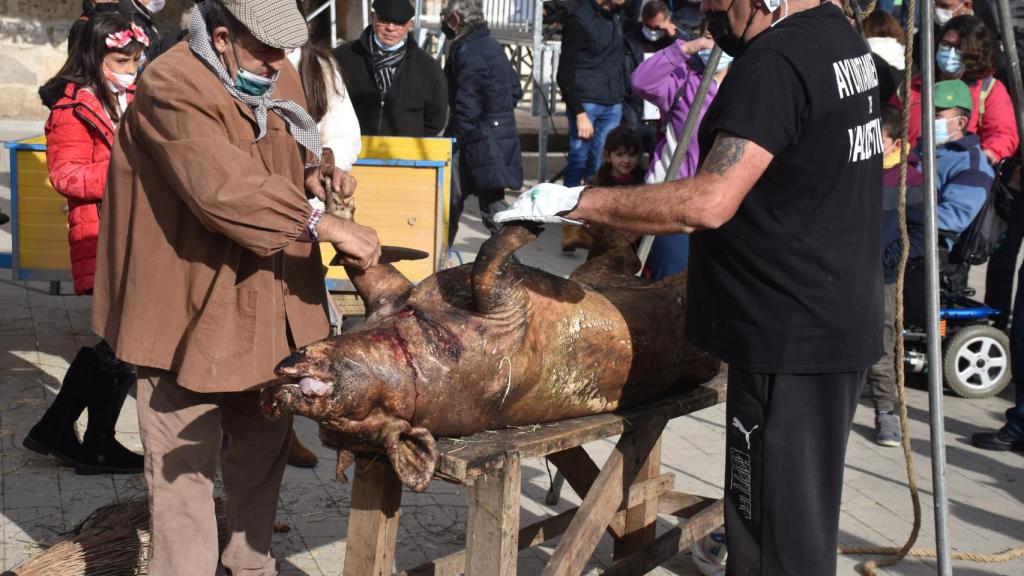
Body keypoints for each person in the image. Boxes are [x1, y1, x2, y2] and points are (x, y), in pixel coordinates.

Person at [496, 0, 884, 571]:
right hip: (833, 316)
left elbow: (708, 201)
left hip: (788, 337)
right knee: (790, 525)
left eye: (719, 5)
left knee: (770, 536)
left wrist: (580, 201)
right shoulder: (842, 39)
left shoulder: (776, 59)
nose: (713, 17)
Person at [91, 0, 381, 573]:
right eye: (265, 51)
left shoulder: (278, 69)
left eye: (283, 53)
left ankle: (250, 566)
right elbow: (223, 187)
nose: (277, 65)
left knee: (260, 456)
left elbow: (285, 155)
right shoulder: (170, 83)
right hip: (186, 305)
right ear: (221, 38)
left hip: (266, 304)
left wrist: (316, 172)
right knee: (183, 473)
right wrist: (325, 225)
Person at [26, 12, 148, 476]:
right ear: (95, 57)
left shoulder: (131, 97)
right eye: (122, 59)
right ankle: (89, 440)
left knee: (118, 339)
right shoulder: (70, 109)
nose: (131, 67)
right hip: (103, 233)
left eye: (136, 58)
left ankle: (64, 430)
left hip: (137, 231)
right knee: (121, 338)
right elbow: (66, 176)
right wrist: (131, 171)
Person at [283, 0, 364, 469]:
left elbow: (342, 128)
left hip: (305, 210)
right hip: (254, 211)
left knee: (300, 323)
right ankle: (252, 426)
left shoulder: (318, 64)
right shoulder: (235, 61)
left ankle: (286, 423)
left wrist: (328, 159)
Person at [632, 33, 730, 280]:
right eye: (709, 35)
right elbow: (641, 81)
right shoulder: (684, 81)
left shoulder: (746, 83)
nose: (714, 43)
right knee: (669, 284)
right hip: (671, 202)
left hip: (720, 204)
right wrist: (685, 48)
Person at [440, 0, 524, 243]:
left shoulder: (468, 51)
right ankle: (510, 263)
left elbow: (467, 108)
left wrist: (452, 141)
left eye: (446, 19)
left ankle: (441, 259)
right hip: (494, 137)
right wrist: (497, 116)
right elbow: (515, 90)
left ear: (455, 19)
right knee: (492, 204)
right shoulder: (490, 44)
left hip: (475, 139)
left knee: (450, 202)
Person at [870, 105, 925, 448]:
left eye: (881, 138)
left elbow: (916, 235)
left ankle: (885, 410)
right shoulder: (853, 170)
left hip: (883, 275)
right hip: (843, 271)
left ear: (896, 143)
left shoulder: (911, 180)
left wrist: (885, 260)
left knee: (882, 339)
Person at [898, 15, 1019, 166]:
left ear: (975, 54)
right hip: (909, 169)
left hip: (962, 170)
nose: (950, 53)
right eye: (946, 44)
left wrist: (987, 154)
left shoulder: (989, 90)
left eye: (959, 48)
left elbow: (1003, 133)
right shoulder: (913, 85)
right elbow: (892, 124)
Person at [333, 0, 448, 137]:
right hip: (350, 152)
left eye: (399, 23)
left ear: (409, 25)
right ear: (372, 17)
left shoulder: (429, 68)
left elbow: (435, 121)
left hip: (404, 155)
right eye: (384, 20)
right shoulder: (340, 58)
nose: (391, 28)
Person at [556, 0, 628, 187]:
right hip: (587, 103)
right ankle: (568, 207)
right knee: (578, 160)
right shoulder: (578, 20)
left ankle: (595, 208)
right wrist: (579, 113)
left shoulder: (617, 16)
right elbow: (564, 74)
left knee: (602, 162)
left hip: (613, 101)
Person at [563, 126, 646, 251]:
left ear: (639, 156)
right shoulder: (598, 183)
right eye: (620, 155)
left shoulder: (644, 182)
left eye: (632, 155)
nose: (627, 160)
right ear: (607, 156)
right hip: (602, 245)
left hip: (635, 244)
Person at [931, 79, 993, 240]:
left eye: (937, 116)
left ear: (960, 122)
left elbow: (953, 217)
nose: (928, 120)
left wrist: (899, 214)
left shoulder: (972, 165)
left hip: (929, 246)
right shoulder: (923, 148)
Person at [622, 1, 686, 152]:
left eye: (657, 27)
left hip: (662, 114)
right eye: (648, 26)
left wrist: (673, 35)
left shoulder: (674, 39)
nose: (652, 31)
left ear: (667, 20)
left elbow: (689, 53)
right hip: (635, 110)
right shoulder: (630, 39)